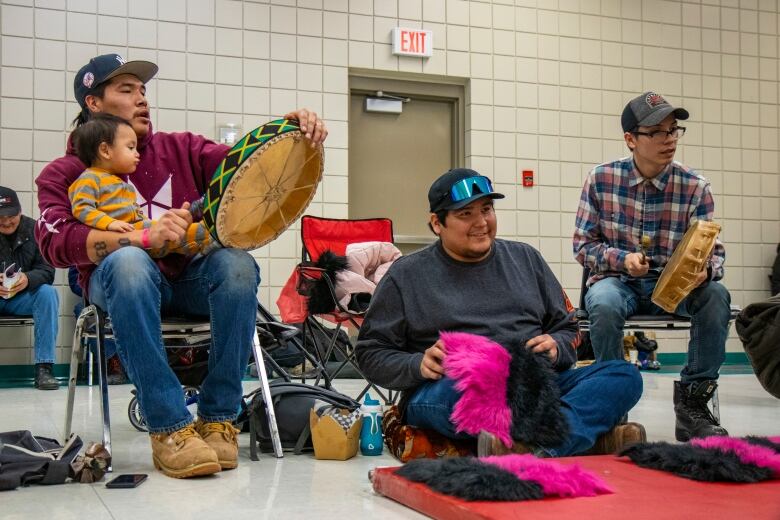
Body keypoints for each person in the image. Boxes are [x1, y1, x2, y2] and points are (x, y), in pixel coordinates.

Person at [35, 53, 327, 478]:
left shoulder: (182, 147)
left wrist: (287, 132)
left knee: (236, 265)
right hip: (120, 284)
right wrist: (137, 236)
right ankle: (169, 425)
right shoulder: (65, 172)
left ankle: (219, 419)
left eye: (143, 90)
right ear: (93, 104)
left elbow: (245, 169)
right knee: (130, 262)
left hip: (189, 278)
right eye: (126, 89)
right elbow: (54, 244)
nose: (142, 99)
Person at [356, 168, 645, 458]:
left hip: (534, 385)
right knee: (459, 398)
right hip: (450, 388)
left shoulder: (526, 258)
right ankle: (573, 437)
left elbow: (570, 330)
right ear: (437, 223)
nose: (481, 222)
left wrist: (557, 347)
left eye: (487, 209)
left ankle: (534, 445)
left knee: (623, 375)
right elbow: (371, 352)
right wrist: (418, 364)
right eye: (465, 214)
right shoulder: (406, 275)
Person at [573, 91, 731, 442]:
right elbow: (583, 246)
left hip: (676, 288)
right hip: (619, 281)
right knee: (603, 302)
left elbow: (714, 251)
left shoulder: (695, 187)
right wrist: (622, 259)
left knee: (717, 296)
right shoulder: (601, 180)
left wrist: (706, 271)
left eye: (674, 130)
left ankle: (693, 401)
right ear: (631, 139)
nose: (669, 139)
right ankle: (613, 402)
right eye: (657, 132)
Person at [68, 113, 212, 257]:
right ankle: (207, 234)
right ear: (105, 150)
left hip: (138, 231)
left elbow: (135, 214)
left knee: (172, 233)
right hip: (119, 238)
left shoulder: (118, 182)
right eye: (131, 148)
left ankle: (201, 239)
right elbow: (82, 208)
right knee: (182, 233)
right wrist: (109, 223)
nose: (137, 154)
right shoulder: (89, 178)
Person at [0, 186, 59, 390]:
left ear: (20, 211)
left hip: (21, 298)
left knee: (48, 293)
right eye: (0, 217)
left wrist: (27, 279)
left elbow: (48, 270)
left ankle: (44, 368)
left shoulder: (36, 230)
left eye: (11, 216)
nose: (6, 222)